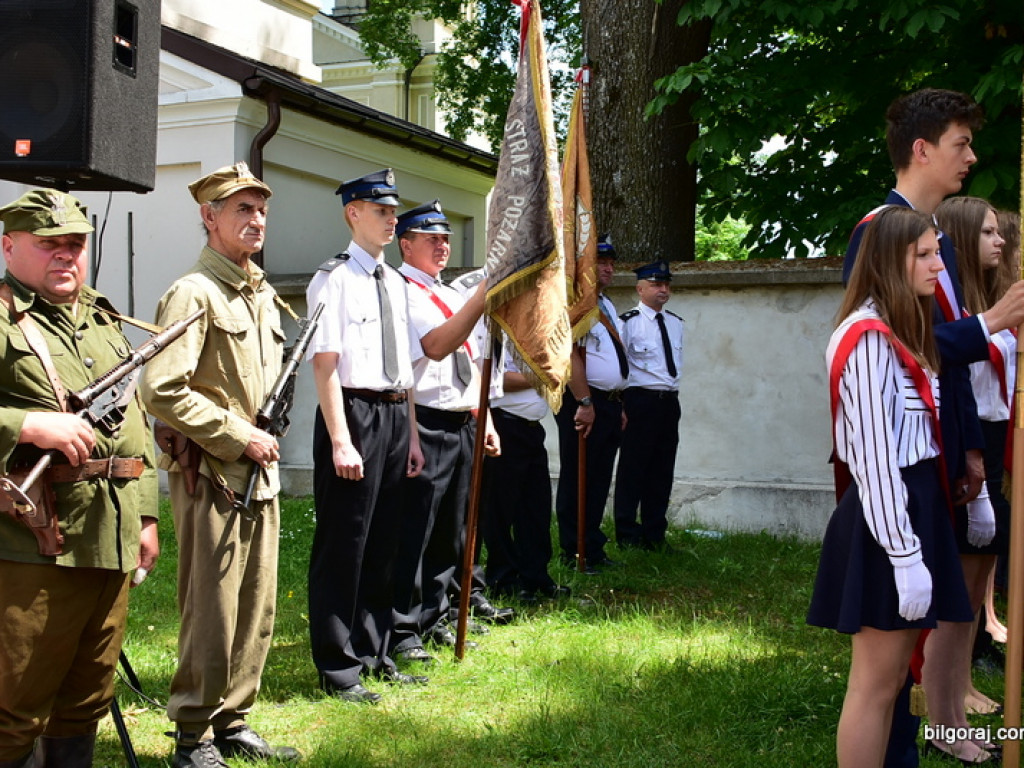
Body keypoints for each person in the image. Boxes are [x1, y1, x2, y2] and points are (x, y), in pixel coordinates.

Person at [842, 88, 1024, 768]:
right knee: (888, 652)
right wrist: (990, 324)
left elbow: (938, 371)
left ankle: (916, 738)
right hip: (902, 465)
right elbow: (896, 350)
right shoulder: (881, 231)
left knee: (930, 621)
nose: (972, 157)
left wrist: (970, 451)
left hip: (941, 454)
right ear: (922, 149)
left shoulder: (929, 235)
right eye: (960, 144)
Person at [139, 163, 298, 767]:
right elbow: (162, 388)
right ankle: (193, 735)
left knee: (257, 604)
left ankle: (233, 718)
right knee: (212, 606)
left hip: (260, 474)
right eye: (241, 210)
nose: (256, 220)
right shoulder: (194, 292)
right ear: (209, 217)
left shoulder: (258, 292)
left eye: (260, 210)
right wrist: (239, 436)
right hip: (212, 474)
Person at [808, 205, 974, 768]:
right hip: (890, 516)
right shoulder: (868, 338)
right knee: (875, 685)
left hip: (914, 503)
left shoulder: (900, 327)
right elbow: (875, 461)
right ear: (888, 261)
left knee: (892, 681)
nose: (937, 267)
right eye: (924, 255)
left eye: (936, 254)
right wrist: (904, 555)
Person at [0, 189, 158, 768]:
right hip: (29, 547)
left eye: (75, 245)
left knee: (86, 697)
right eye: (49, 245)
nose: (65, 256)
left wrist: (144, 513)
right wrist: (27, 424)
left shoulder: (100, 316)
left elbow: (131, 417)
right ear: (9, 245)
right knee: (14, 703)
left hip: (107, 537)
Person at [305, 169, 425, 705]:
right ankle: (338, 668)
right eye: (381, 210)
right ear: (353, 212)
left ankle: (374, 652)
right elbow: (325, 366)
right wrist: (340, 440)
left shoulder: (396, 282)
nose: (391, 219)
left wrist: (414, 437)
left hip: (397, 414)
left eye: (393, 211)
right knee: (345, 544)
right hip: (353, 414)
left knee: (384, 541)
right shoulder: (333, 279)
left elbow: (408, 372)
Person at [391, 200, 511, 665]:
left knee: (453, 531)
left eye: (445, 238)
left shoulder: (446, 292)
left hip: (461, 418)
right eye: (430, 239)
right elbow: (438, 346)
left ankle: (436, 616)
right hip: (425, 420)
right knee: (416, 531)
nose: (442, 246)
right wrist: (481, 295)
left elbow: (478, 362)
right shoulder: (406, 291)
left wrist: (487, 419)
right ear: (406, 244)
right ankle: (402, 627)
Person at [930, 195, 1012, 748]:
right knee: (958, 590)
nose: (999, 241)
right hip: (973, 437)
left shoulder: (992, 299)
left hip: (1000, 436)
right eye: (987, 233)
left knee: (980, 579)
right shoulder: (963, 314)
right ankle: (945, 708)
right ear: (961, 238)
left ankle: (960, 688)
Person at [555, 234, 628, 571]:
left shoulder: (607, 304)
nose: (608, 268)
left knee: (599, 479)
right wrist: (585, 401)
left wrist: (619, 404)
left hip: (609, 403)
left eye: (611, 263)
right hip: (584, 401)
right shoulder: (577, 303)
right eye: (601, 262)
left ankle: (592, 544)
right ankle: (574, 549)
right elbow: (569, 355)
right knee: (578, 476)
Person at [482, 339, 570, 602]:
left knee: (536, 509)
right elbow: (497, 380)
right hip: (504, 427)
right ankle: (503, 580)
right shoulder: (498, 334)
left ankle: (535, 576)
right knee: (501, 511)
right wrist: (544, 374)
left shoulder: (532, 335)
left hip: (532, 429)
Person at [613, 260, 683, 551]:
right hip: (640, 401)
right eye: (656, 284)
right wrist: (622, 406)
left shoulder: (676, 323)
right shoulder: (627, 323)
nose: (662, 290)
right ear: (640, 289)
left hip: (668, 402)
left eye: (666, 284)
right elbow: (619, 367)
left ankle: (655, 533)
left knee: (661, 469)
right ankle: (628, 534)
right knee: (633, 468)